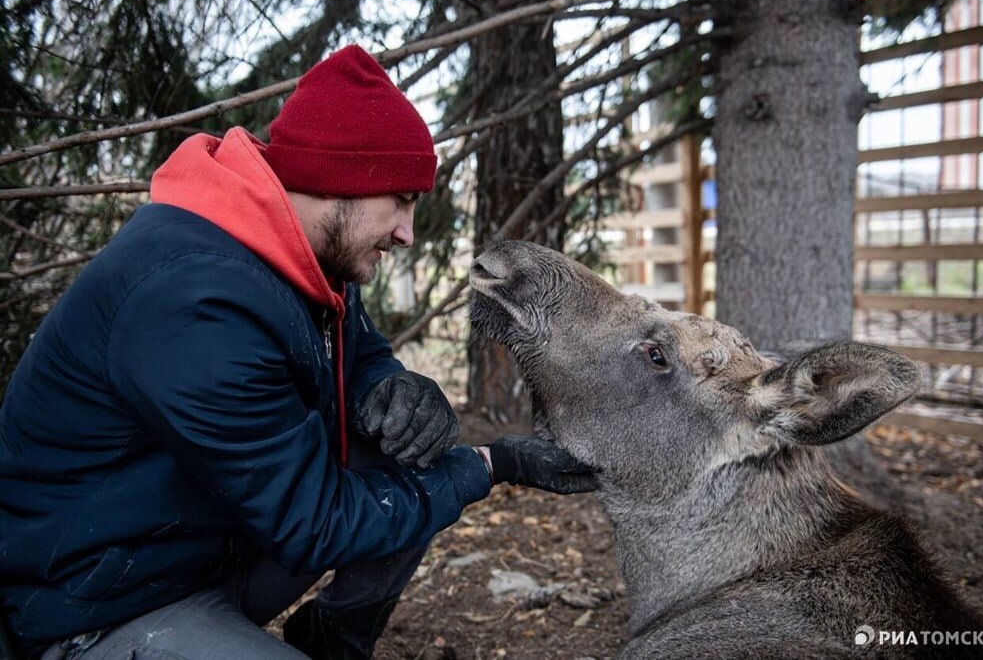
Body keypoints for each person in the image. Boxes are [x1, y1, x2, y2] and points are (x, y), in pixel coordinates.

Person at [0, 44, 596, 659]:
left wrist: (389, 388)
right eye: (402, 198)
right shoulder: (194, 299)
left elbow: (359, 351)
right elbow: (314, 523)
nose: (407, 233)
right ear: (340, 179)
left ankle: (331, 641)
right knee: (436, 478)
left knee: (417, 460)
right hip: (100, 602)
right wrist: (492, 464)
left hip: (203, 550)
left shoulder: (303, 255)